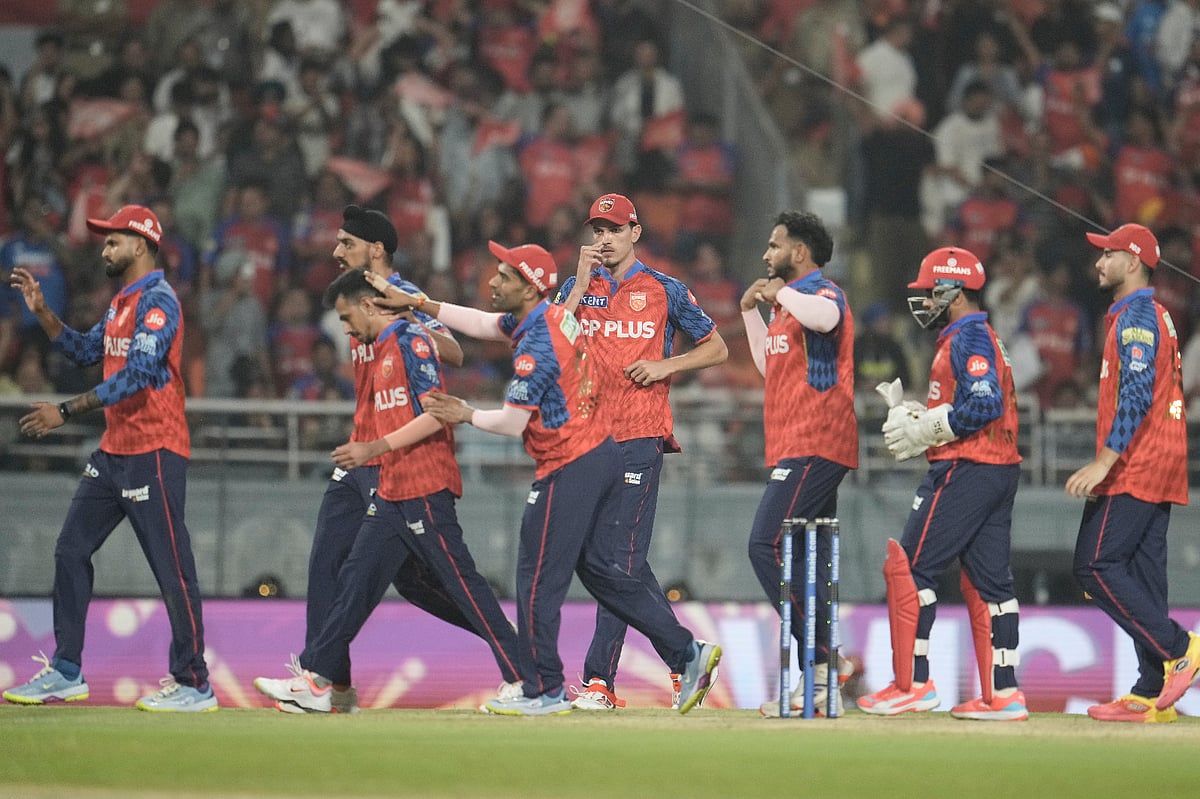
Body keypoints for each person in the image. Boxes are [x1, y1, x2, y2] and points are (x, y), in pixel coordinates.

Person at [368, 240, 722, 716]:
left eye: (503, 277)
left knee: (536, 575)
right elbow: (482, 324)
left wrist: (463, 412)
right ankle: (686, 652)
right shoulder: (546, 319)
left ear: (529, 287)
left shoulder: (540, 340)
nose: (491, 283)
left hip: (571, 461)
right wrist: (418, 303)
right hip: (601, 455)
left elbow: (513, 423)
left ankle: (544, 688)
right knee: (602, 570)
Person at [270, 204, 510, 714]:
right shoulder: (350, 300)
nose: (336, 252)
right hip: (359, 451)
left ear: (374, 249)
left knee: (415, 583)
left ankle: (515, 649)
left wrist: (409, 319)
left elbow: (456, 355)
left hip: (392, 454)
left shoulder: (398, 298)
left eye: (346, 244)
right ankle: (330, 687)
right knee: (326, 563)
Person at [3, 205, 216, 712]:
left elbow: (138, 375)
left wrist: (65, 410)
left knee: (172, 570)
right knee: (70, 550)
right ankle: (66, 670)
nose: (104, 249)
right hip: (115, 451)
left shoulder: (159, 302)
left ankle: (193, 682)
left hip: (155, 451)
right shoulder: (123, 302)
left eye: (112, 241)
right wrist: (43, 312)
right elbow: (82, 351)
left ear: (140, 244)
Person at [555, 193, 728, 710]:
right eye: (596, 230)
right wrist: (579, 286)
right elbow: (552, 345)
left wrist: (664, 367)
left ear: (634, 232)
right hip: (587, 440)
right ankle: (684, 659)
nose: (602, 239)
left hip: (638, 437)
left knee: (617, 563)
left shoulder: (664, 290)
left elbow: (717, 348)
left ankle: (600, 683)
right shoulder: (577, 288)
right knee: (613, 559)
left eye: (612, 229)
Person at [857, 246, 1027, 722]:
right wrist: (921, 412)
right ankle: (1004, 695)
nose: (926, 301)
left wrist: (926, 429)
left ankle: (912, 685)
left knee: (909, 569)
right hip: (998, 468)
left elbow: (983, 404)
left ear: (955, 293)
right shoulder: (978, 334)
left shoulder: (968, 336)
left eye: (933, 292)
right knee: (990, 583)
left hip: (965, 467)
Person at [1068, 223, 1199, 723]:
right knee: (1143, 575)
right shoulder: (1152, 313)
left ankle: (1179, 646)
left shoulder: (1138, 317)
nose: (1099, 263)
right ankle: (1151, 692)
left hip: (1137, 463)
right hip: (1160, 461)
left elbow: (1138, 393)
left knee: (1094, 566)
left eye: (1108, 254)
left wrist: (1105, 460)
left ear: (1134, 261)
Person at [739, 211, 858, 717]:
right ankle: (819, 682)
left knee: (764, 544)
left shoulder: (822, 293)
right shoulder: (789, 307)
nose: (766, 256)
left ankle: (828, 659)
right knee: (806, 565)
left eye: (774, 246)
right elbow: (770, 368)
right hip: (794, 443)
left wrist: (776, 293)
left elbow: (827, 319)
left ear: (799, 252)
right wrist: (750, 312)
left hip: (818, 439)